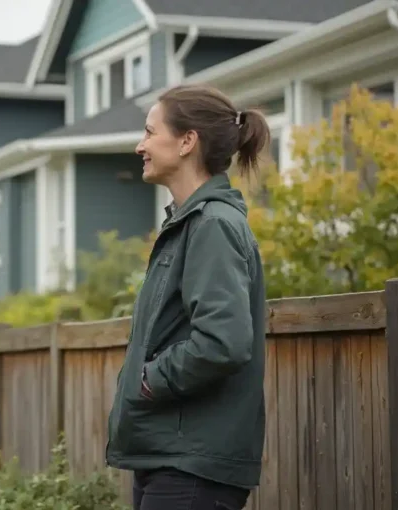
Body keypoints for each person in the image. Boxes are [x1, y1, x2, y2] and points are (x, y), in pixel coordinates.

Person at [105, 84, 269, 510]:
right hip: (171, 457)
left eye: (149, 132)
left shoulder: (212, 225)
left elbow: (223, 343)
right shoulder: (189, 223)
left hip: (194, 465)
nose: (140, 145)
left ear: (186, 141)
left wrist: (149, 380)